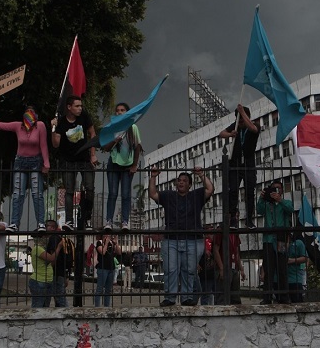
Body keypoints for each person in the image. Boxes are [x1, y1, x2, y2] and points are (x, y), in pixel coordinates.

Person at [148, 166, 214, 307]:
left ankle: (187, 297)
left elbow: (210, 189)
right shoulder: (168, 195)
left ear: (190, 184)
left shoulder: (196, 195)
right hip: (171, 239)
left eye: (184, 180)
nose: (181, 182)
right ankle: (170, 298)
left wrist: (201, 175)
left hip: (193, 239)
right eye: (179, 180)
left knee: (189, 271)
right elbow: (153, 194)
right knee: (171, 270)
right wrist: (153, 176)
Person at [0, 101, 49, 233]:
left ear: (36, 115)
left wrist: (46, 163)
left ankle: (41, 223)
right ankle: (14, 223)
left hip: (35, 162)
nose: (29, 117)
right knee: (17, 194)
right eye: (27, 114)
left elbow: (43, 145)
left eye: (32, 114)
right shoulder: (18, 126)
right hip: (20, 162)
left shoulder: (40, 126)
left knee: (37, 194)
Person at [51, 95, 98, 231]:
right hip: (68, 161)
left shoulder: (84, 116)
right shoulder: (61, 122)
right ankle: (69, 221)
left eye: (81, 106)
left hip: (84, 159)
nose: (80, 108)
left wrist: (93, 154)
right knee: (69, 192)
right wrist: (53, 129)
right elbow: (55, 144)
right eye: (77, 106)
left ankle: (86, 218)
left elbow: (92, 134)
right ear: (69, 107)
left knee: (89, 189)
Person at [102, 102, 142, 231]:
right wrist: (115, 140)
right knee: (112, 193)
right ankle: (109, 221)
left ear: (127, 112)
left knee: (125, 194)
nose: (119, 112)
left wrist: (135, 165)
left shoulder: (133, 127)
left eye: (122, 110)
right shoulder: (112, 127)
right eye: (117, 110)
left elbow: (137, 147)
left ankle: (125, 222)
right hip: (113, 163)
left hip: (127, 165)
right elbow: (106, 148)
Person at [219, 105, 260, 229]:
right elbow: (221, 134)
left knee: (249, 192)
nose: (240, 122)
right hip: (235, 164)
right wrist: (231, 134)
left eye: (242, 119)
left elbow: (253, 129)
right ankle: (232, 218)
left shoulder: (255, 125)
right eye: (238, 119)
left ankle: (249, 219)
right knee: (233, 191)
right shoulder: (236, 126)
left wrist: (243, 113)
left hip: (249, 164)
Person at [256, 181, 293, 304]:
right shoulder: (267, 204)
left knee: (282, 268)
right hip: (268, 240)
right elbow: (259, 210)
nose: (276, 190)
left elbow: (290, 209)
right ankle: (267, 297)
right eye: (274, 189)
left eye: (278, 188)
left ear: (281, 191)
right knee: (268, 269)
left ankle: (284, 296)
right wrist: (261, 198)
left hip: (281, 239)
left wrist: (280, 200)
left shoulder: (285, 203)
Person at [30, 233, 64, 308]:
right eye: (45, 236)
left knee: (45, 306)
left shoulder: (42, 249)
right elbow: (52, 258)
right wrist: (59, 247)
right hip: (39, 281)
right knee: (38, 306)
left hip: (47, 281)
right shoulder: (38, 249)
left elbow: (50, 263)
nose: (47, 239)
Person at [213, 226, 245, 305]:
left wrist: (241, 269)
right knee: (222, 296)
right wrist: (221, 268)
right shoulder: (220, 230)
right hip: (225, 267)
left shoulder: (235, 232)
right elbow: (215, 250)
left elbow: (237, 252)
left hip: (234, 267)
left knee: (235, 296)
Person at [45, 220, 73, 307]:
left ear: (53, 227)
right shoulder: (60, 238)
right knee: (59, 297)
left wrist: (48, 269)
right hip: (61, 272)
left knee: (59, 298)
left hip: (55, 272)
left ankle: (67, 314)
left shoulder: (53, 238)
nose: (45, 228)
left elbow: (54, 256)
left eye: (47, 226)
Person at [94, 234, 121, 307]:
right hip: (102, 268)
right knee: (100, 289)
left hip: (111, 268)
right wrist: (106, 243)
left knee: (108, 290)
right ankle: (97, 307)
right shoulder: (99, 242)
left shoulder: (111, 243)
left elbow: (119, 252)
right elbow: (102, 252)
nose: (108, 236)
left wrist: (116, 243)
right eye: (107, 235)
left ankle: (107, 306)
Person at [198, 225, 216, 305]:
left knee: (214, 293)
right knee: (206, 293)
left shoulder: (214, 241)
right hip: (205, 272)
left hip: (213, 271)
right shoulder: (201, 242)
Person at [287, 234, 308, 303]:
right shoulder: (282, 245)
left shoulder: (298, 243)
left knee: (297, 302)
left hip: (295, 279)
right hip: (282, 279)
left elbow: (305, 258)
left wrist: (292, 260)